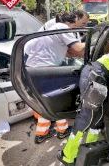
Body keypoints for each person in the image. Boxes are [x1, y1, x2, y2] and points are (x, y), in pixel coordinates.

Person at [58, 34, 109, 165]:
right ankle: (68, 155)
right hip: (96, 75)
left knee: (98, 119)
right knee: (87, 117)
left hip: (104, 78)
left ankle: (90, 151)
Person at [25, 10, 89, 143]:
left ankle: (42, 133)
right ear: (75, 18)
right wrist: (95, 43)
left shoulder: (52, 29)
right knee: (57, 100)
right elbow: (77, 48)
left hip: (34, 70)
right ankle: (61, 131)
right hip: (45, 69)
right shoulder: (63, 27)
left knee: (49, 101)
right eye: (82, 23)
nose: (82, 26)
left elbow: (69, 53)